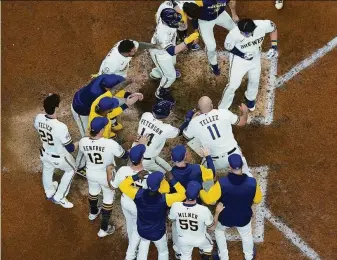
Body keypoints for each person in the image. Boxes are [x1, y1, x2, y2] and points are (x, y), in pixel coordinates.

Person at [71, 74, 143, 170]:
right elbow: (112, 109)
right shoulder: (96, 94)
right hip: (80, 110)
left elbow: (114, 91)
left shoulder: (98, 101)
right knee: (88, 139)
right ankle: (79, 165)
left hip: (88, 104)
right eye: (112, 108)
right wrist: (125, 139)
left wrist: (128, 94)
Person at [200, 154, 263, 260]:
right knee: (246, 235)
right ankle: (249, 256)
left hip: (225, 217)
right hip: (244, 217)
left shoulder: (222, 183)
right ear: (242, 165)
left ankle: (223, 256)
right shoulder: (252, 183)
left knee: (219, 232)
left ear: (230, 166)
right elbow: (257, 199)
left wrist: (201, 192)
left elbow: (209, 200)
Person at [78, 117, 129, 237]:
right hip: (106, 175)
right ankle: (103, 229)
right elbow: (124, 155)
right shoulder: (110, 143)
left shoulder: (82, 141)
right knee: (108, 197)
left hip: (90, 172)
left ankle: (93, 212)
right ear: (101, 130)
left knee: (93, 191)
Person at [119, 170, 186, 260]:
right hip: (157, 233)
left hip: (142, 230)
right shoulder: (165, 199)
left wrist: (136, 176)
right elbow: (183, 194)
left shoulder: (138, 194)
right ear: (159, 185)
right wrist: (172, 180)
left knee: (142, 250)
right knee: (163, 252)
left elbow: (122, 185)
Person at [218, 18, 278, 111]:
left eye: (246, 33)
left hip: (255, 56)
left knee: (254, 80)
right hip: (239, 59)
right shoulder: (234, 34)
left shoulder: (262, 26)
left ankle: (250, 99)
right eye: (242, 32)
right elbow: (228, 46)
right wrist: (242, 55)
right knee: (233, 84)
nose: (244, 34)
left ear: (253, 29)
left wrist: (274, 47)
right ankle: (222, 107)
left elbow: (273, 28)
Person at [183, 96, 250, 173]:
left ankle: (209, 180)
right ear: (211, 105)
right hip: (233, 155)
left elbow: (186, 136)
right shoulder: (223, 112)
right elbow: (242, 122)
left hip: (213, 161)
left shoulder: (194, 122)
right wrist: (245, 112)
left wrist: (192, 120)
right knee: (246, 175)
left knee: (205, 177)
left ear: (199, 108)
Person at [34, 94, 77, 208]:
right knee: (71, 170)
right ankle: (60, 197)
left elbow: (39, 128)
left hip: (44, 153)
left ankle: (49, 191)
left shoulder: (38, 117)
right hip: (59, 157)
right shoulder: (60, 126)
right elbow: (70, 148)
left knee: (47, 169)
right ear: (56, 108)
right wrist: (80, 142)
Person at [149, 1, 199, 100]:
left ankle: (155, 74)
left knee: (172, 63)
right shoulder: (162, 34)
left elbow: (174, 4)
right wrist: (186, 41)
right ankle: (160, 92)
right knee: (170, 77)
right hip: (161, 53)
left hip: (169, 45)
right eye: (175, 22)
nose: (178, 22)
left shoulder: (171, 17)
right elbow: (172, 51)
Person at [169, 181, 224, 260]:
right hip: (200, 240)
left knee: (185, 256)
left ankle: (179, 253)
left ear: (185, 193)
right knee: (209, 246)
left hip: (183, 240)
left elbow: (171, 220)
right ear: (198, 195)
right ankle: (204, 255)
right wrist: (217, 212)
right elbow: (212, 228)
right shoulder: (203, 210)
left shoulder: (175, 206)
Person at [182, 0, 238, 75]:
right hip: (205, 21)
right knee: (211, 47)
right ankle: (214, 65)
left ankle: (240, 48)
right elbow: (194, 16)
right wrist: (196, 32)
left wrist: (233, 13)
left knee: (236, 30)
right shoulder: (199, 2)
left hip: (220, 14)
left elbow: (232, 1)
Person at [136, 100, 194, 172]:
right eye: (170, 110)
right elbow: (179, 132)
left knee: (169, 168)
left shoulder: (145, 115)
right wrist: (187, 120)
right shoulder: (166, 128)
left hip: (137, 151)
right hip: (146, 160)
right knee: (169, 173)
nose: (171, 111)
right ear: (166, 114)